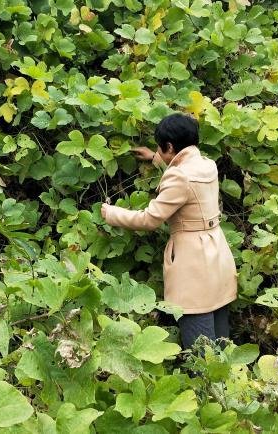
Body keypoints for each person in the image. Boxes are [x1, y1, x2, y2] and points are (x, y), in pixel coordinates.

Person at [101, 113, 237, 350]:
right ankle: (231, 384)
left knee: (200, 341)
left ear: (170, 146)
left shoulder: (179, 176)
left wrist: (111, 214)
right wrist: (156, 158)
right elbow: (185, 174)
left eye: (160, 147)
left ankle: (204, 384)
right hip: (217, 254)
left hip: (193, 261)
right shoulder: (207, 165)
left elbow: (150, 219)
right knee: (220, 330)